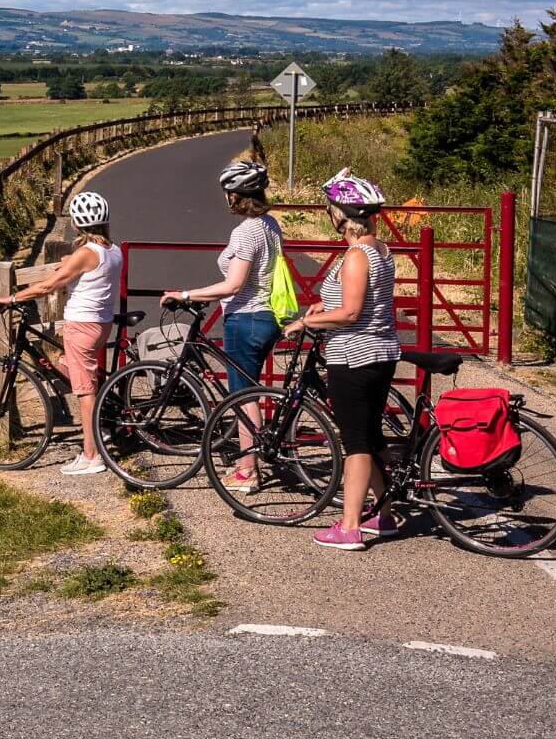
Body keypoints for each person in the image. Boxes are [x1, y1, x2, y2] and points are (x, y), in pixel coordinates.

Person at [282, 169, 399, 551]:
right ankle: (384, 514)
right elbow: (361, 303)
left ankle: (349, 527)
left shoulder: (355, 256)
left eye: (331, 206)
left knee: (356, 444)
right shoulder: (379, 250)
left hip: (353, 356)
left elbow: (350, 312)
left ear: (343, 213)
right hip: (380, 352)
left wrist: (306, 320)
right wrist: (324, 305)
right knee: (370, 436)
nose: (328, 212)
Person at [164, 159, 282, 492]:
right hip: (266, 315)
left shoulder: (246, 232)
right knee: (250, 391)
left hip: (247, 318)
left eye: (228, 192)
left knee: (244, 396)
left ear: (236, 195)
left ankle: (248, 469)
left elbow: (233, 285)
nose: (226, 198)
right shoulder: (271, 224)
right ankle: (252, 462)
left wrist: (186, 293)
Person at [0, 191, 122, 476]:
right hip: (100, 324)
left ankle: (92, 455)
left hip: (81, 326)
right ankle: (101, 428)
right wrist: (69, 261)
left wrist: (13, 299)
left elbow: (47, 286)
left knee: (84, 391)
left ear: (77, 224)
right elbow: (82, 266)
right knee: (70, 369)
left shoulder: (86, 254)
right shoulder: (112, 250)